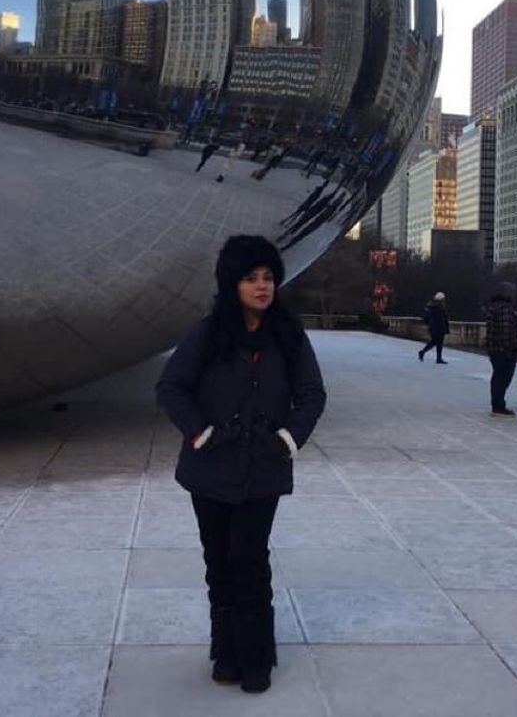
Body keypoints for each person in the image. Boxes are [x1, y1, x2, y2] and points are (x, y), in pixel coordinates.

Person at [156, 235, 326, 694]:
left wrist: (289, 438)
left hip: (263, 470)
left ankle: (255, 657)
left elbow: (312, 394)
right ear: (232, 283)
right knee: (218, 561)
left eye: (268, 277)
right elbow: (171, 386)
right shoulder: (208, 334)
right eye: (251, 278)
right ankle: (225, 653)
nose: (262, 286)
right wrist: (201, 432)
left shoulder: (289, 336)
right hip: (208, 470)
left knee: (248, 559)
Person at [485, 282, 517, 417]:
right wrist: (510, 348)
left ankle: (497, 403)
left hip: (494, 349)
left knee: (497, 377)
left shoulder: (493, 308)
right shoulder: (505, 309)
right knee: (503, 377)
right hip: (504, 350)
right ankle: (499, 405)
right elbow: (506, 330)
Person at [418, 292, 450, 364]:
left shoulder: (431, 306)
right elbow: (444, 318)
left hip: (434, 327)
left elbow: (426, 317)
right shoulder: (439, 307)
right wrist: (446, 328)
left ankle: (435, 357)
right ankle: (425, 353)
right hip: (439, 327)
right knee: (436, 342)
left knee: (435, 342)